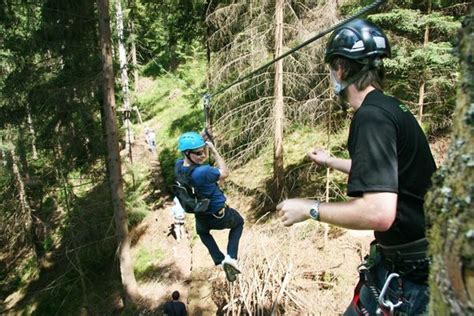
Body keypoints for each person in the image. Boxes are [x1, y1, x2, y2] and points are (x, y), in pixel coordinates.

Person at [277, 19, 436, 315]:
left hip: (409, 282)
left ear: (340, 68)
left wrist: (308, 208)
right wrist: (330, 161)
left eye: (330, 70)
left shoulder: (370, 118)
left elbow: (379, 212)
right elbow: (388, 175)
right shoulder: (391, 108)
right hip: (415, 265)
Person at [175, 131, 244, 282]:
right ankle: (231, 258)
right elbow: (225, 172)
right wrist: (213, 150)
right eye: (199, 153)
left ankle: (219, 259)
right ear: (188, 153)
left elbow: (185, 156)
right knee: (239, 223)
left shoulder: (178, 167)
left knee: (203, 233)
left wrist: (200, 138)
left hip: (200, 215)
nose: (203, 156)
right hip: (219, 215)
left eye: (203, 151)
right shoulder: (203, 171)